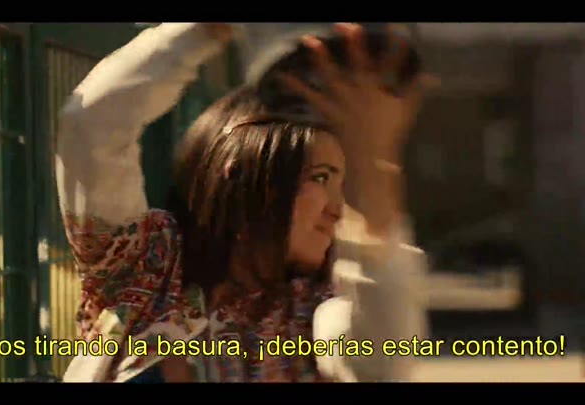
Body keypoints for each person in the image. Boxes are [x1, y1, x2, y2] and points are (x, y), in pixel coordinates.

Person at [56, 22, 432, 383]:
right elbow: (91, 127)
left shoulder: (319, 313)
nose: (338, 209)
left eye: (347, 184)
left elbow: (381, 364)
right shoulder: (145, 265)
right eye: (320, 177)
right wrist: (202, 31)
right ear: (242, 171)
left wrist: (375, 170)